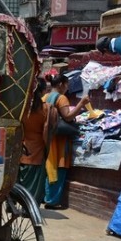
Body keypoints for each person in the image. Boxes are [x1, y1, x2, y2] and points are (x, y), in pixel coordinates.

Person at [43, 74, 90, 210]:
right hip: (59, 139)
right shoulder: (61, 98)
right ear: (61, 84)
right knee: (59, 167)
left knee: (48, 167)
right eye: (66, 84)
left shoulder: (44, 97)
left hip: (48, 137)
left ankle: (44, 197)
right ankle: (52, 200)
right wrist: (81, 103)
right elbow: (68, 117)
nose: (67, 87)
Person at [19, 78, 49, 204]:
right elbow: (46, 132)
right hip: (38, 149)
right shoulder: (46, 109)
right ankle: (30, 206)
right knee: (36, 182)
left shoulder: (22, 108)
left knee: (21, 179)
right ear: (42, 92)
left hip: (23, 148)